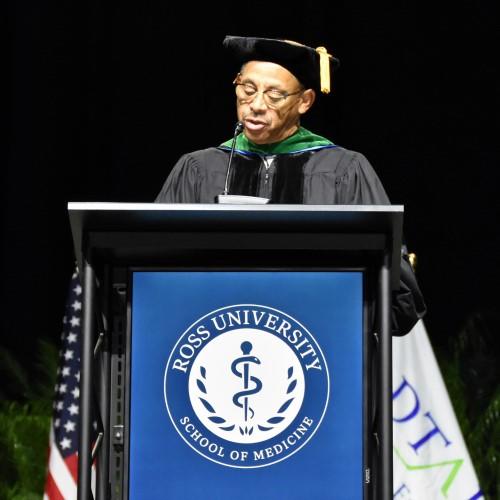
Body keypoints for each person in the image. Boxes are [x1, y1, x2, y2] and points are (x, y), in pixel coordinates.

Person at [155, 35, 426, 335]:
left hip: (319, 345)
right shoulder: (198, 169)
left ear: (305, 101)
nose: (256, 105)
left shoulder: (344, 170)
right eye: (247, 89)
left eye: (274, 95)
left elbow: (399, 301)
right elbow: (152, 276)